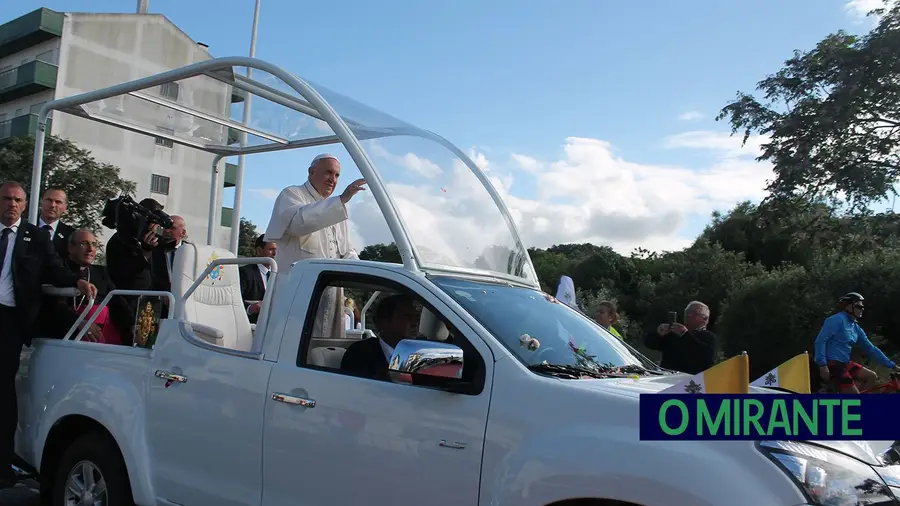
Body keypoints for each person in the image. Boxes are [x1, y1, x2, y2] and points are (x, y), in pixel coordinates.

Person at [0, 181, 96, 489]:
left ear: (25, 205)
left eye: (17, 200)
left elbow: (55, 269)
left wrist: (78, 282)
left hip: (9, 319)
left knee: (3, 391)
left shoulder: (36, 237)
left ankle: (3, 465)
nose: (11, 204)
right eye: (6, 198)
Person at [263, 153, 367, 339]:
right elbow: (297, 223)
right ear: (311, 172)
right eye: (328, 173)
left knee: (323, 348)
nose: (332, 179)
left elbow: (345, 249)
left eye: (337, 175)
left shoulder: (336, 207)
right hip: (296, 291)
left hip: (330, 291)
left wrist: (362, 268)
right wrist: (341, 199)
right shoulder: (292, 194)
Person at [38, 229, 134, 346]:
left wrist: (132, 324)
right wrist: (79, 323)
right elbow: (55, 306)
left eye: (94, 244)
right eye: (84, 244)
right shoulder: (60, 271)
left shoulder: (100, 272)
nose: (90, 249)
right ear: (70, 247)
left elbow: (117, 301)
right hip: (71, 332)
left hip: (103, 331)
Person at [815, 292, 899, 393]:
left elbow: (871, 349)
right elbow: (820, 341)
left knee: (871, 376)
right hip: (832, 364)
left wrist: (892, 365)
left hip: (844, 363)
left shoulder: (855, 327)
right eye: (859, 306)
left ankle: (859, 404)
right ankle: (855, 402)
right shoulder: (835, 320)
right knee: (854, 395)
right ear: (849, 306)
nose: (862, 309)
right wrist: (822, 365)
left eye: (862, 307)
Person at [341, 294, 419, 381]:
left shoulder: (420, 355)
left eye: (416, 319)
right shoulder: (359, 354)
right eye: (406, 318)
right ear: (383, 322)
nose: (414, 324)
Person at [643, 301, 716, 374]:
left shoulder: (709, 337)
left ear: (705, 319)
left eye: (694, 313)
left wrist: (685, 334)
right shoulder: (674, 333)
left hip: (691, 381)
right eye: (687, 312)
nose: (689, 315)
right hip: (667, 379)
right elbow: (650, 344)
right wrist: (658, 333)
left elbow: (706, 356)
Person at [239, 234, 277, 324]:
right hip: (251, 325)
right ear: (259, 250)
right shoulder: (245, 272)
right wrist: (251, 308)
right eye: (271, 250)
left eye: (277, 250)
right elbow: (236, 300)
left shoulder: (280, 274)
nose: (275, 254)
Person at [37, 187, 74, 259]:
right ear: (41, 201)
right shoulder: (25, 226)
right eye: (49, 200)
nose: (52, 205)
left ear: (65, 207)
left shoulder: (70, 235)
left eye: (58, 202)